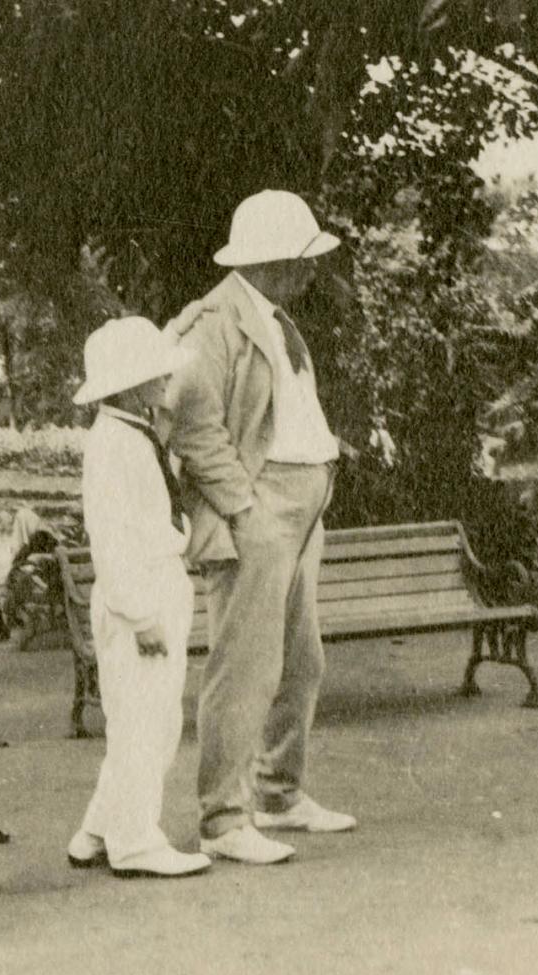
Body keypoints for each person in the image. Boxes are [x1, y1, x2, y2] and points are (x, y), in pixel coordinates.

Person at [164, 190, 357, 866]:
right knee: (245, 666)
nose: (312, 271)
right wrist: (242, 507)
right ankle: (222, 818)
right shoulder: (210, 323)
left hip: (302, 505)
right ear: (271, 259)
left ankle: (279, 792)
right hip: (261, 506)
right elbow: (192, 424)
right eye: (303, 259)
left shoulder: (274, 317)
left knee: (302, 660)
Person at [65, 317, 213, 879]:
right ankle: (134, 840)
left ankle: (99, 828)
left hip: (156, 582)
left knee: (141, 716)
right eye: (153, 374)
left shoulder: (133, 434)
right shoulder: (115, 445)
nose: (163, 381)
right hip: (139, 593)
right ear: (126, 384)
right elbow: (113, 540)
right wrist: (140, 614)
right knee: (145, 724)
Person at [0, 506, 61, 643]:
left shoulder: (34, 543)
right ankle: (5, 625)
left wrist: (19, 560)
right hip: (42, 583)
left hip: (32, 585)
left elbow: (19, 568)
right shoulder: (49, 541)